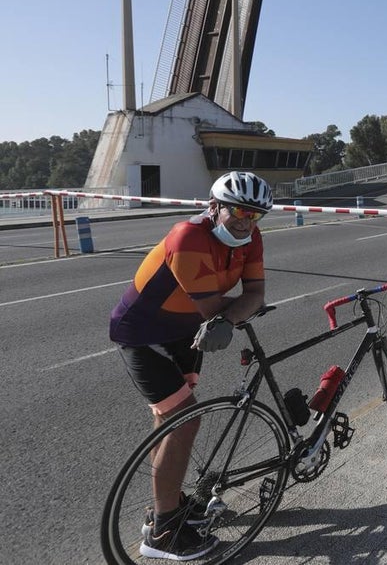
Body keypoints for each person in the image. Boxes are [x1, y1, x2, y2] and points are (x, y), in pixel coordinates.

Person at [109, 171, 274, 561]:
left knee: (169, 421)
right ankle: (163, 533)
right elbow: (217, 308)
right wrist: (232, 315)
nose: (244, 221)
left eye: (254, 215)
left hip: (187, 332)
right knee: (185, 418)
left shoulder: (251, 238)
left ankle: (166, 504)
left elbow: (256, 294)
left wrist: (232, 316)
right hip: (144, 333)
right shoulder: (189, 237)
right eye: (237, 211)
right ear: (214, 206)